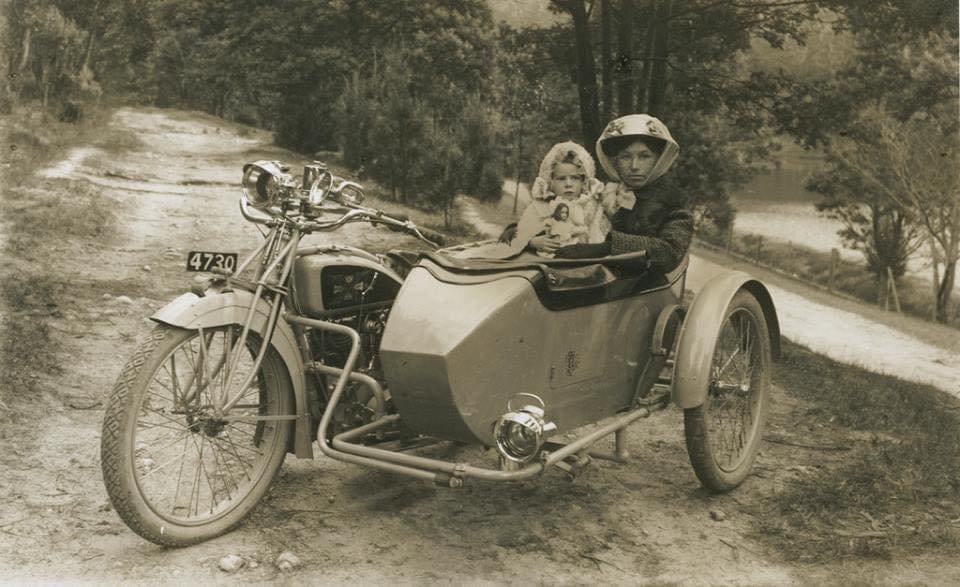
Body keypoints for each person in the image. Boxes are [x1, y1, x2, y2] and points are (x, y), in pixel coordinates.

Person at [553, 114, 693, 273]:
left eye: (644, 156)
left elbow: (668, 253)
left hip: (643, 291)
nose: (634, 166)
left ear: (659, 160)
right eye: (626, 157)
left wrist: (606, 247)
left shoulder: (674, 204)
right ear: (615, 161)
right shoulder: (604, 194)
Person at [496, 141, 605, 255]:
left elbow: (600, 240)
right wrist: (532, 242)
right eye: (561, 179)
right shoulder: (542, 206)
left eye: (575, 178)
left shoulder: (593, 208)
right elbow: (516, 233)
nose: (568, 184)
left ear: (584, 181)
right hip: (548, 262)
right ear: (550, 182)